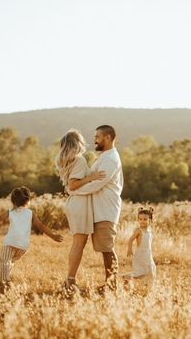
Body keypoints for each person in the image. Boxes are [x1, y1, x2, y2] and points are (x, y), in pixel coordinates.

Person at [70, 125, 123, 292]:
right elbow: (89, 179)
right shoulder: (103, 157)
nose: (95, 140)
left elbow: (97, 184)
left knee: (107, 248)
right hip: (98, 210)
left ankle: (112, 284)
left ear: (107, 137)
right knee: (104, 248)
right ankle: (110, 283)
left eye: (97, 137)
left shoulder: (110, 159)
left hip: (106, 210)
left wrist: (74, 190)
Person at [0, 186, 63, 292]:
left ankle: (5, 284)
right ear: (27, 201)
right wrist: (53, 236)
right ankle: (3, 278)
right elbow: (41, 226)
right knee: (10, 262)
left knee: (4, 261)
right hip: (23, 246)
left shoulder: (10, 212)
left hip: (10, 242)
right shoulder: (31, 213)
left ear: (13, 201)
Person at [55, 129, 105, 288]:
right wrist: (91, 177)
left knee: (77, 244)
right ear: (77, 143)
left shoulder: (65, 160)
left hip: (73, 203)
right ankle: (70, 280)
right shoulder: (79, 160)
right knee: (78, 244)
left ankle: (70, 279)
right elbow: (73, 184)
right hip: (79, 203)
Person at [123, 206, 156, 282]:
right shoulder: (139, 230)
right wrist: (129, 249)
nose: (142, 221)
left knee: (151, 270)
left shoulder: (149, 230)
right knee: (141, 272)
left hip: (148, 254)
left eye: (145, 219)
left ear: (150, 220)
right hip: (140, 254)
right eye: (140, 219)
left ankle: (147, 287)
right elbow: (130, 240)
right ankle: (126, 277)